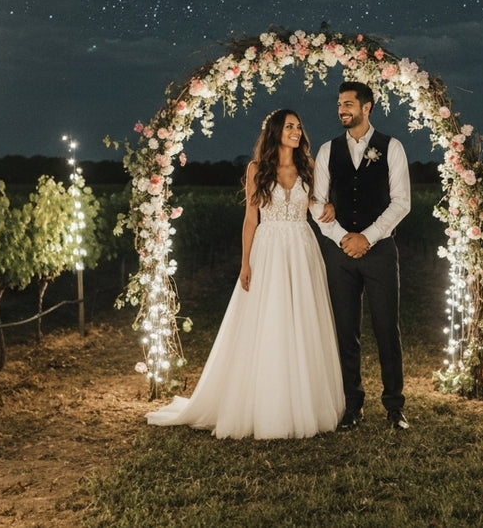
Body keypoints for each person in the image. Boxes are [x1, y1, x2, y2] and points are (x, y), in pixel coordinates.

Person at [147, 110, 344, 438]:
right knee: (268, 319)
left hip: (300, 246)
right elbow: (251, 219)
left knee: (301, 319)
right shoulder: (256, 169)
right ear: (276, 132)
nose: (297, 131)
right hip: (267, 248)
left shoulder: (308, 167)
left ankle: (303, 400)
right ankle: (266, 402)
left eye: (299, 126)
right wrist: (245, 263)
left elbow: (315, 205)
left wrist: (329, 207)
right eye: (290, 126)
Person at [313, 81, 411, 431]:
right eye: (340, 104)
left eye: (349, 104)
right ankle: (352, 405)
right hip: (339, 254)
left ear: (367, 107)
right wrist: (343, 238)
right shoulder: (328, 150)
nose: (342, 110)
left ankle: (394, 406)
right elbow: (316, 202)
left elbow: (401, 202)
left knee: (387, 327)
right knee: (344, 329)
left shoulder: (392, 147)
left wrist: (367, 238)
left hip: (380, 251)